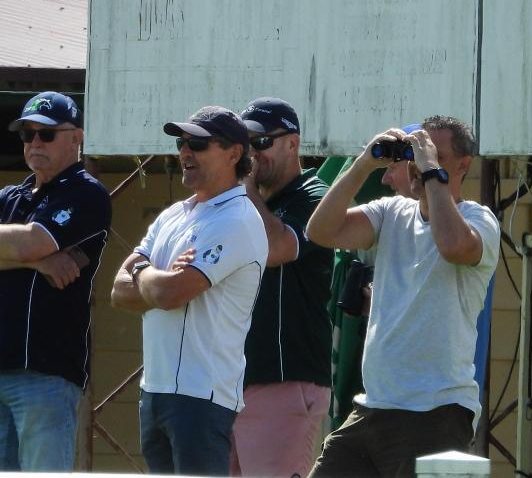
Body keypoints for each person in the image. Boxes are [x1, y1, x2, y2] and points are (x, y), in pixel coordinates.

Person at [306, 116, 501, 477]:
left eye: (435, 155)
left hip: (436, 412)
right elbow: (320, 231)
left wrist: (431, 172)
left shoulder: (480, 220)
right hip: (372, 406)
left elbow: (453, 245)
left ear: (463, 166)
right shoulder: (391, 212)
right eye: (414, 155)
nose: (418, 165)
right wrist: (363, 164)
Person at [0, 91, 112, 471]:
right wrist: (38, 263)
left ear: (76, 138)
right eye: (28, 134)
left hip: (46, 372)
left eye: (47, 134)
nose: (35, 142)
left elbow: (32, 242)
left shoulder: (87, 192)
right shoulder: (6, 197)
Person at [111, 106, 268, 476]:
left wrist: (143, 270)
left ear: (234, 153)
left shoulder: (238, 218)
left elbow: (170, 295)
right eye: (181, 143)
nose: (184, 151)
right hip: (155, 391)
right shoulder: (173, 215)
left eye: (197, 144)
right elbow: (117, 292)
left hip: (202, 397)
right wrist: (159, 279)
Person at [228, 97, 334, 477]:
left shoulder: (315, 195)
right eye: (244, 145)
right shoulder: (243, 202)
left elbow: (275, 248)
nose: (251, 155)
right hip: (232, 383)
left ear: (292, 144)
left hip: (285, 380)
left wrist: (244, 183)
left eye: (261, 142)